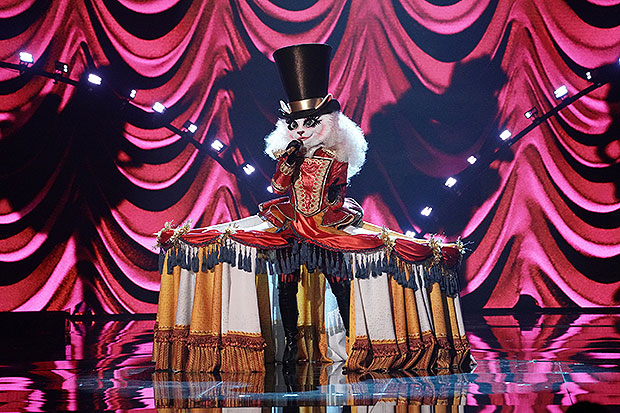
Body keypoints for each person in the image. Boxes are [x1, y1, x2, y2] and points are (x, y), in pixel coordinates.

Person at [258, 43, 368, 365]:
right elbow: (278, 186)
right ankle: (292, 344)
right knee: (286, 285)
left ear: (327, 122)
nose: (302, 131)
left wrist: (337, 204)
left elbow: (338, 190)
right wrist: (288, 163)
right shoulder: (289, 155)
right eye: (294, 125)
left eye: (309, 123)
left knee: (340, 283)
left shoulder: (335, 157)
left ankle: (351, 339)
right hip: (292, 224)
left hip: (323, 225)